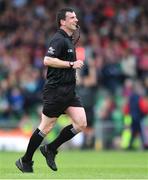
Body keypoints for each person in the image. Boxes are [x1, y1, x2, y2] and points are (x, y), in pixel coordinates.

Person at [15, 7, 87, 173]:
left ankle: (51, 149)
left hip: (69, 91)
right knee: (46, 127)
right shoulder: (59, 39)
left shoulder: (69, 41)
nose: (76, 20)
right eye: (71, 18)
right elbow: (47, 60)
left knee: (81, 123)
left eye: (76, 17)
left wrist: (72, 74)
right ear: (62, 21)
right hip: (56, 91)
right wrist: (71, 65)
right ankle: (25, 160)